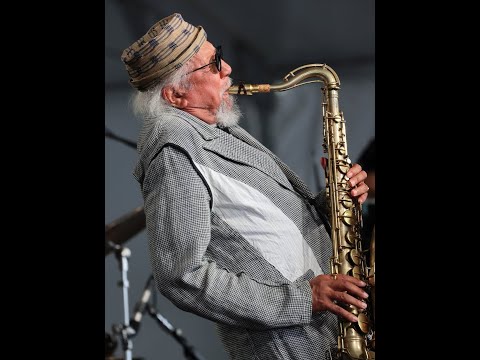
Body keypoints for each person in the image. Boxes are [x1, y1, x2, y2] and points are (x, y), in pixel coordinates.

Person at [121, 13, 371, 360]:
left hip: (327, 335)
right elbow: (181, 276)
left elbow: (267, 222)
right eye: (214, 64)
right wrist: (303, 299)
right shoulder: (174, 149)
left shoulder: (213, 130)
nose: (228, 70)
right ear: (177, 93)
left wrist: (336, 201)